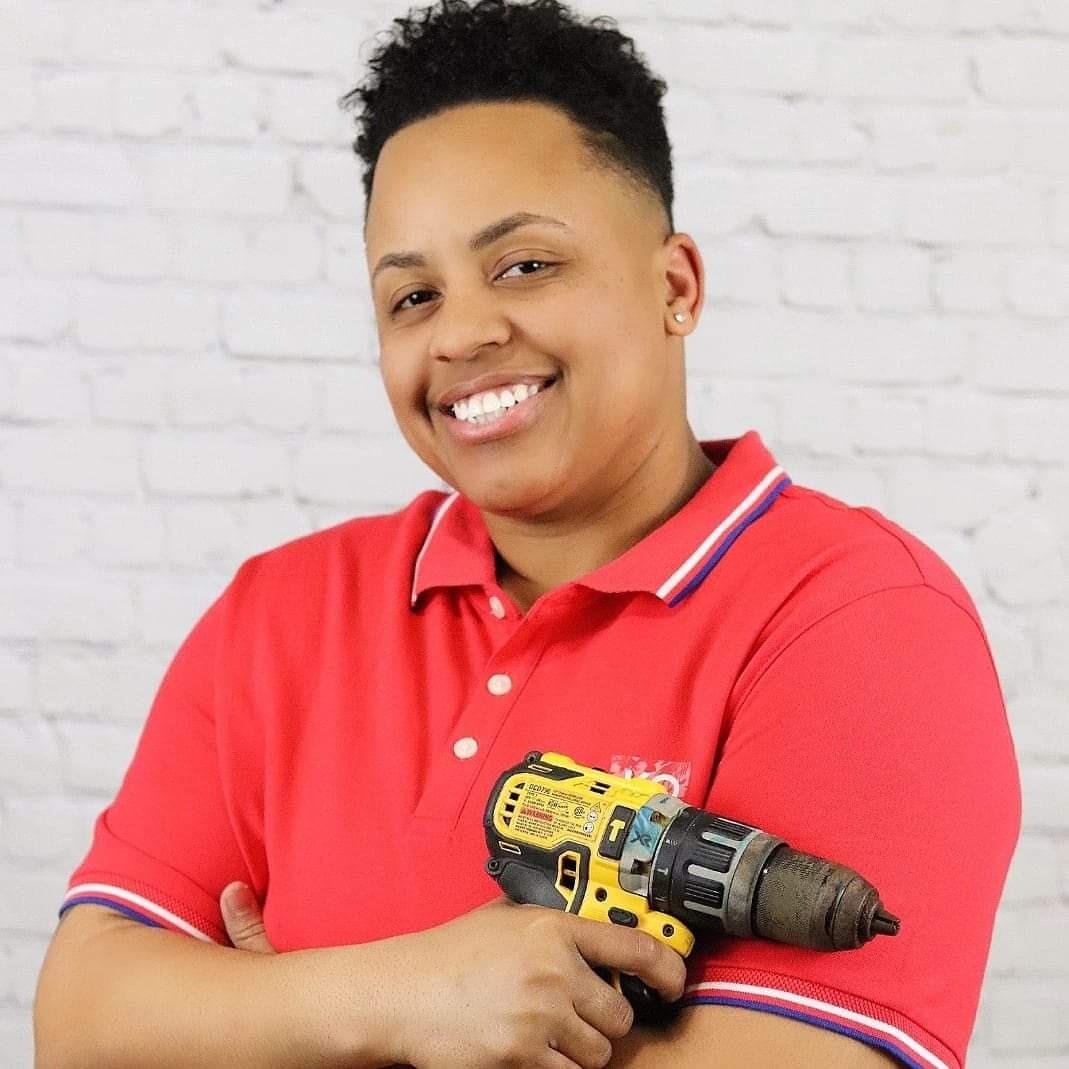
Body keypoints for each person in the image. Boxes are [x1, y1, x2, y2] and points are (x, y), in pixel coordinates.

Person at [34, 2, 1021, 1067]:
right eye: (413, 295)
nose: (461, 332)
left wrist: (265, 1012)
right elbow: (82, 1025)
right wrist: (403, 996)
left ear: (675, 285)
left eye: (525, 266)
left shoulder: (861, 622)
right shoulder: (279, 611)